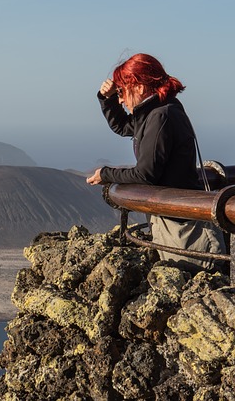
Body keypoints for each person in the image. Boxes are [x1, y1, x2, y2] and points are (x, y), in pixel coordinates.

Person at [86, 53, 226, 273]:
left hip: (181, 225)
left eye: (122, 92)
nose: (121, 99)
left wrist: (105, 174)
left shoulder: (161, 116)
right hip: (175, 219)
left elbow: (145, 175)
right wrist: (108, 98)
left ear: (140, 87)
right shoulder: (158, 110)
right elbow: (124, 127)